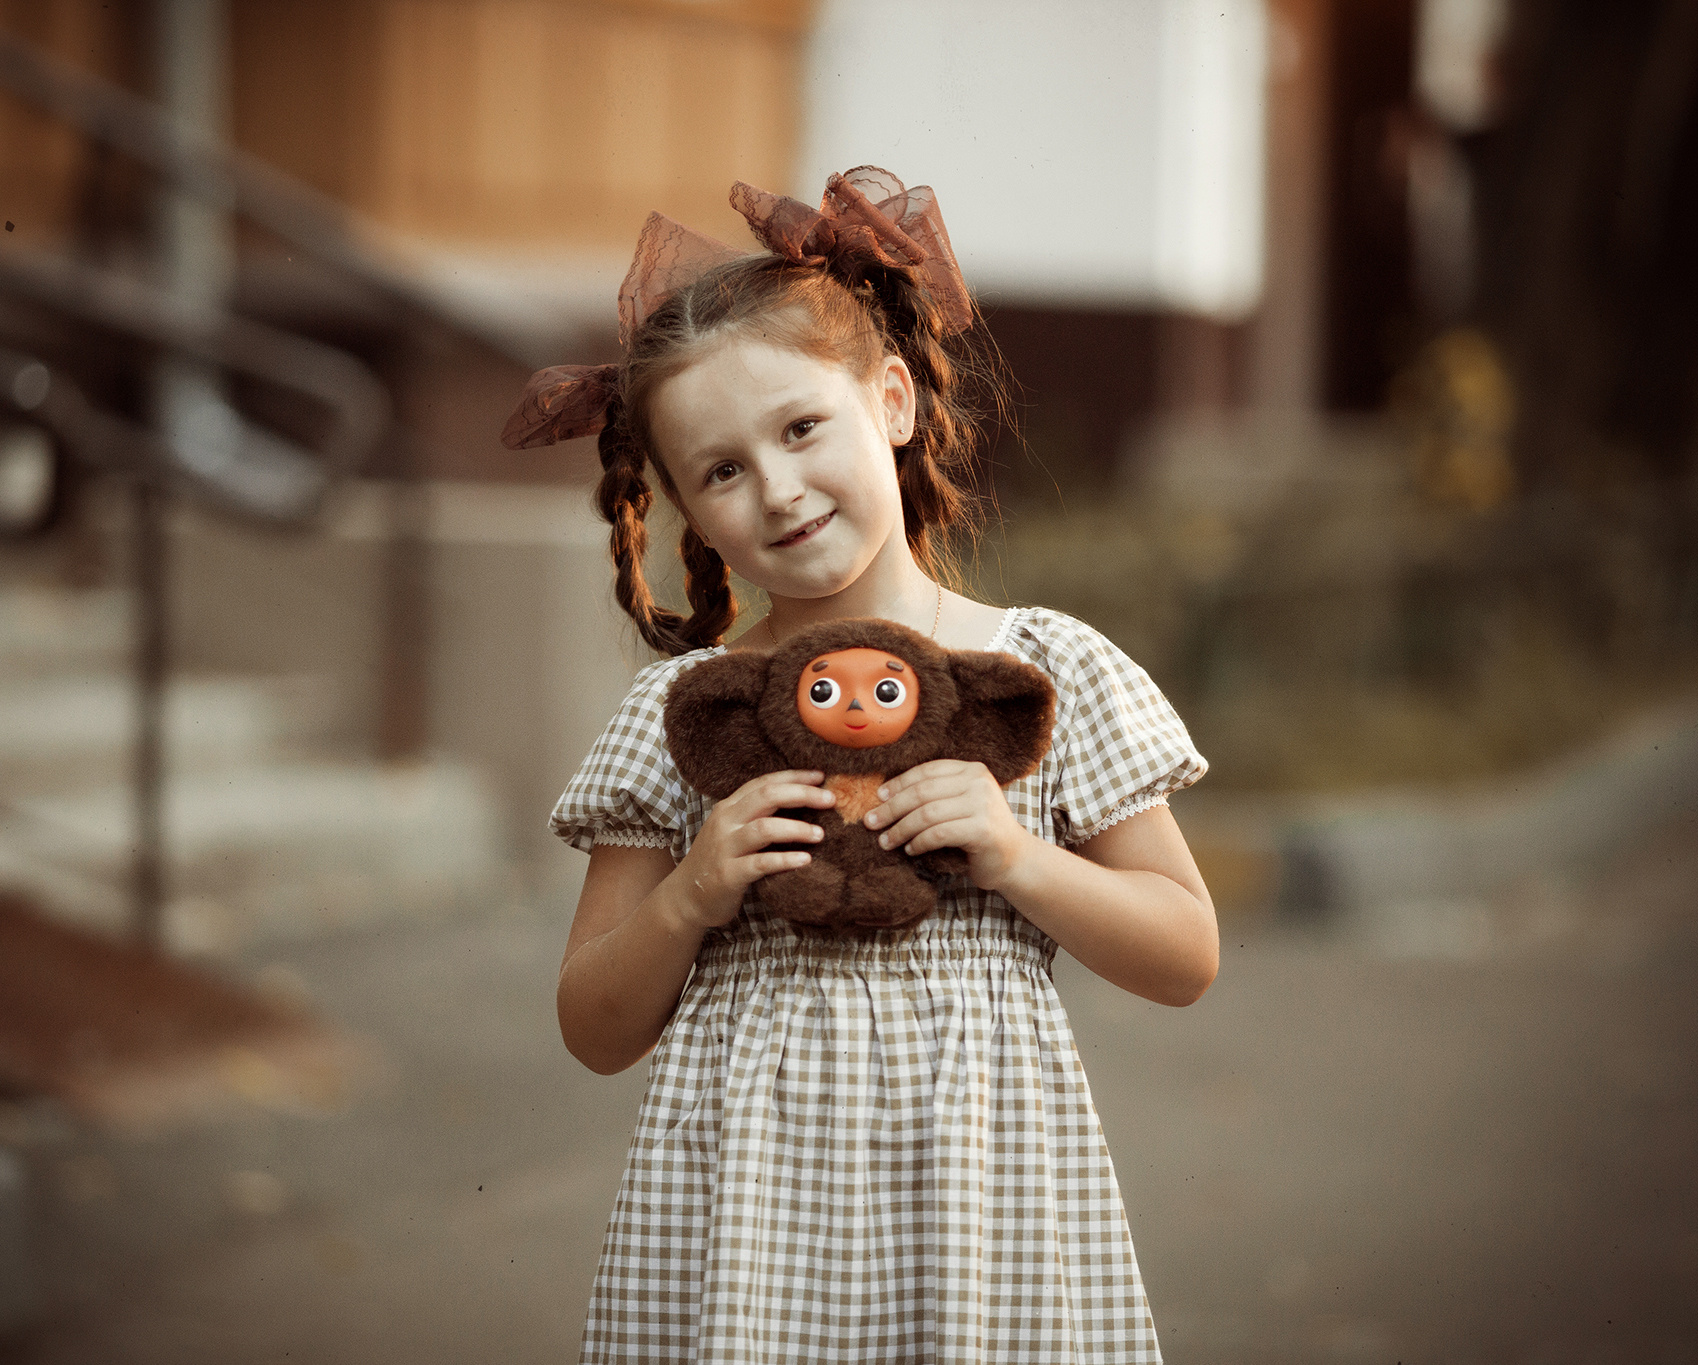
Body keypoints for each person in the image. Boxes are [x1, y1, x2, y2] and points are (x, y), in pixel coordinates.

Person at [506, 167, 1219, 1364]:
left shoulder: (1039, 673)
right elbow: (592, 1024)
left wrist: (1013, 856)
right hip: (744, 1220)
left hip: (981, 1209)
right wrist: (692, 894)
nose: (776, 490)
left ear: (888, 400)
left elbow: (1186, 952)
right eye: (720, 471)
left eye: (799, 429)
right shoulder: (685, 714)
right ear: (682, 506)